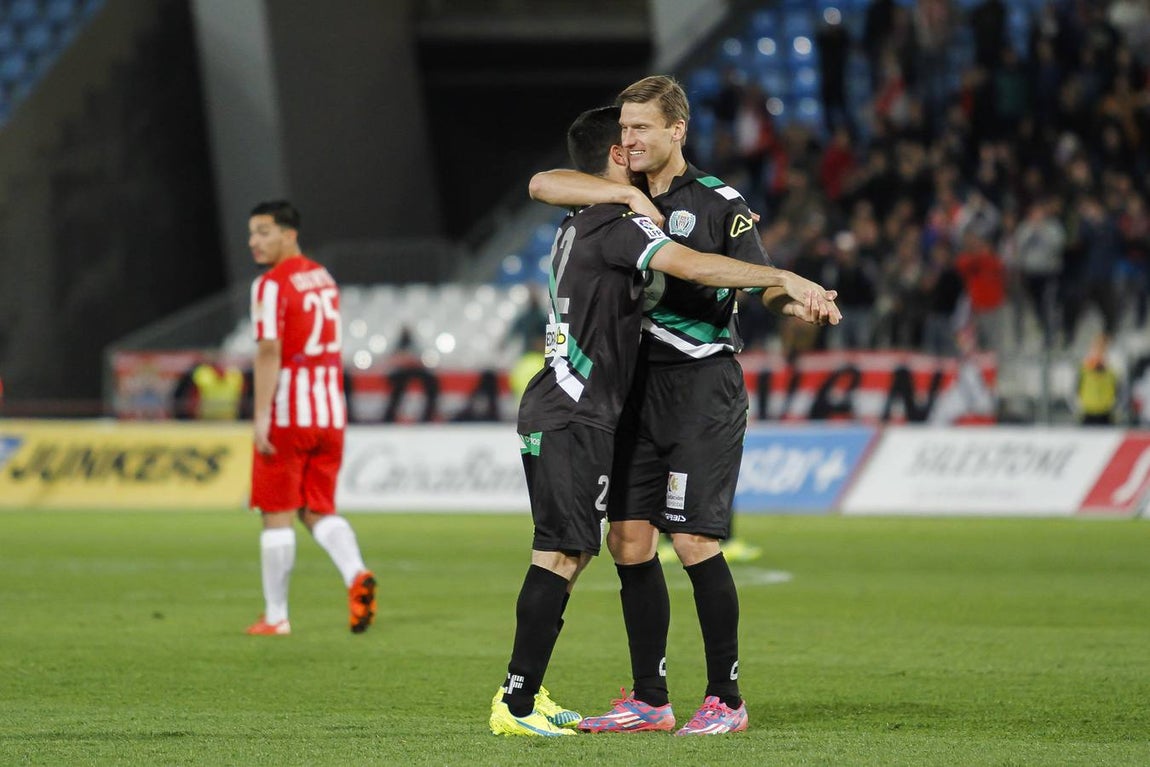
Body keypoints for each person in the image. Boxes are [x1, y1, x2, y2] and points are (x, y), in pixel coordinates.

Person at [490, 106, 839, 738]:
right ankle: (650, 699)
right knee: (627, 540)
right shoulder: (618, 197)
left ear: (676, 130)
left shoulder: (716, 200)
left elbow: (751, 286)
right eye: (623, 131)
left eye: (642, 128)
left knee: (696, 541)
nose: (630, 139)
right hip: (630, 393)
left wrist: (792, 295)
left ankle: (725, 698)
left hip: (699, 387)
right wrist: (623, 189)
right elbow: (542, 183)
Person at [245, 200, 376, 636]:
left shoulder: (270, 285)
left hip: (290, 411)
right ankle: (356, 573)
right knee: (316, 507)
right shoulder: (322, 277)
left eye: (264, 232)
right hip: (329, 411)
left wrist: (261, 415)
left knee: (276, 512)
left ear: (289, 233)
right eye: (251, 233)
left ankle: (276, 616)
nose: (254, 241)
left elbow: (269, 351)